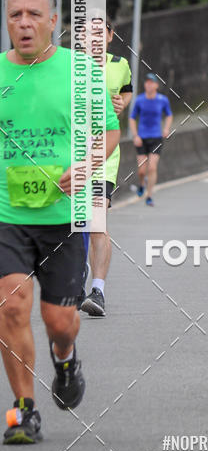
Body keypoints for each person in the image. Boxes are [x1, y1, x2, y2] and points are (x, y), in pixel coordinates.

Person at [0, 0, 120, 444]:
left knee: (59, 321)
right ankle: (24, 408)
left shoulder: (81, 72)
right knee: (11, 305)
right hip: (8, 213)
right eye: (15, 15)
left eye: (34, 14)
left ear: (53, 21)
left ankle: (65, 358)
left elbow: (108, 133)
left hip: (65, 217)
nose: (24, 24)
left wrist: (86, 165)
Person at [80, 18, 132, 316]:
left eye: (100, 32)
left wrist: (122, 102)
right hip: (70, 152)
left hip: (104, 153)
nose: (94, 38)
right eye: (87, 33)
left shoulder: (120, 64)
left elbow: (126, 90)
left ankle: (97, 290)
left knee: (97, 220)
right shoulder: (68, 66)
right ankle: (77, 273)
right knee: (74, 224)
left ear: (110, 36)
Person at [129, 73, 172, 207]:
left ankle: (149, 195)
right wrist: (135, 135)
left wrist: (166, 128)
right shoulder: (139, 100)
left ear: (156, 85)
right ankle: (142, 184)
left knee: (152, 167)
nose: (148, 84)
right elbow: (132, 118)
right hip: (141, 138)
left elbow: (169, 115)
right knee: (142, 170)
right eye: (147, 82)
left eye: (151, 82)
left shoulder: (163, 100)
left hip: (156, 137)